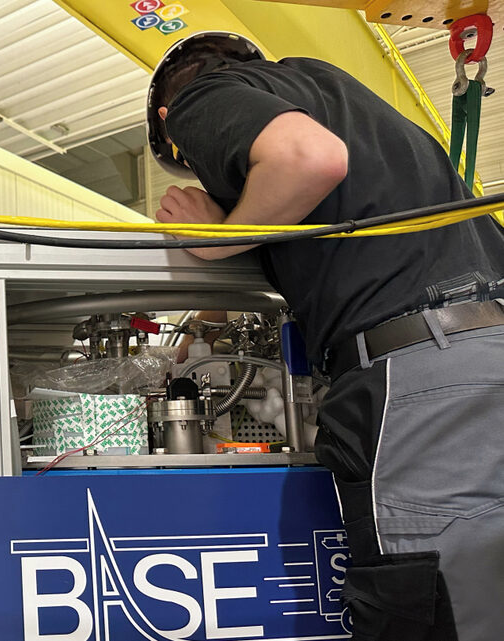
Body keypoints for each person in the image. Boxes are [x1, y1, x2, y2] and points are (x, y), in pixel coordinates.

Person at [147, 31, 504, 640]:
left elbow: (307, 159)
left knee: (433, 606)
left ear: (167, 120)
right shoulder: (359, 108)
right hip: (482, 350)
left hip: (427, 380)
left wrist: (222, 238)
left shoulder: (198, 98)